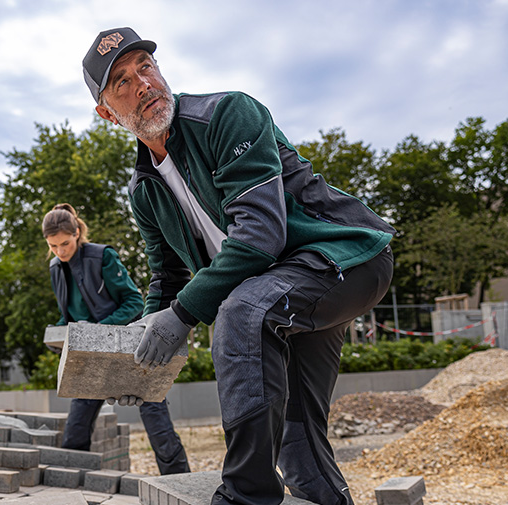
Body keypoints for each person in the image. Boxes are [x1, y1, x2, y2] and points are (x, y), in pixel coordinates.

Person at [82, 28, 395, 505]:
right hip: (282, 295)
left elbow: (260, 236)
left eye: (145, 66)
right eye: (122, 82)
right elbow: (166, 279)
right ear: (107, 113)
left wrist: (184, 316)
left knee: (240, 311)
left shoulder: (226, 114)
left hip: (344, 259)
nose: (142, 84)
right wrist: (136, 364)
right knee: (300, 446)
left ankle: (247, 496)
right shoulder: (144, 192)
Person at [42, 203, 191, 475]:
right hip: (89, 356)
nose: (60, 252)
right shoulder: (55, 268)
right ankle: (70, 490)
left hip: (133, 354)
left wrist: (97, 329)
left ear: (77, 232)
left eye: (64, 243)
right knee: (75, 431)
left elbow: (134, 302)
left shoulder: (102, 256)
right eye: (53, 247)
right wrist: (59, 333)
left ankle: (179, 484)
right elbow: (68, 316)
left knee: (160, 431)